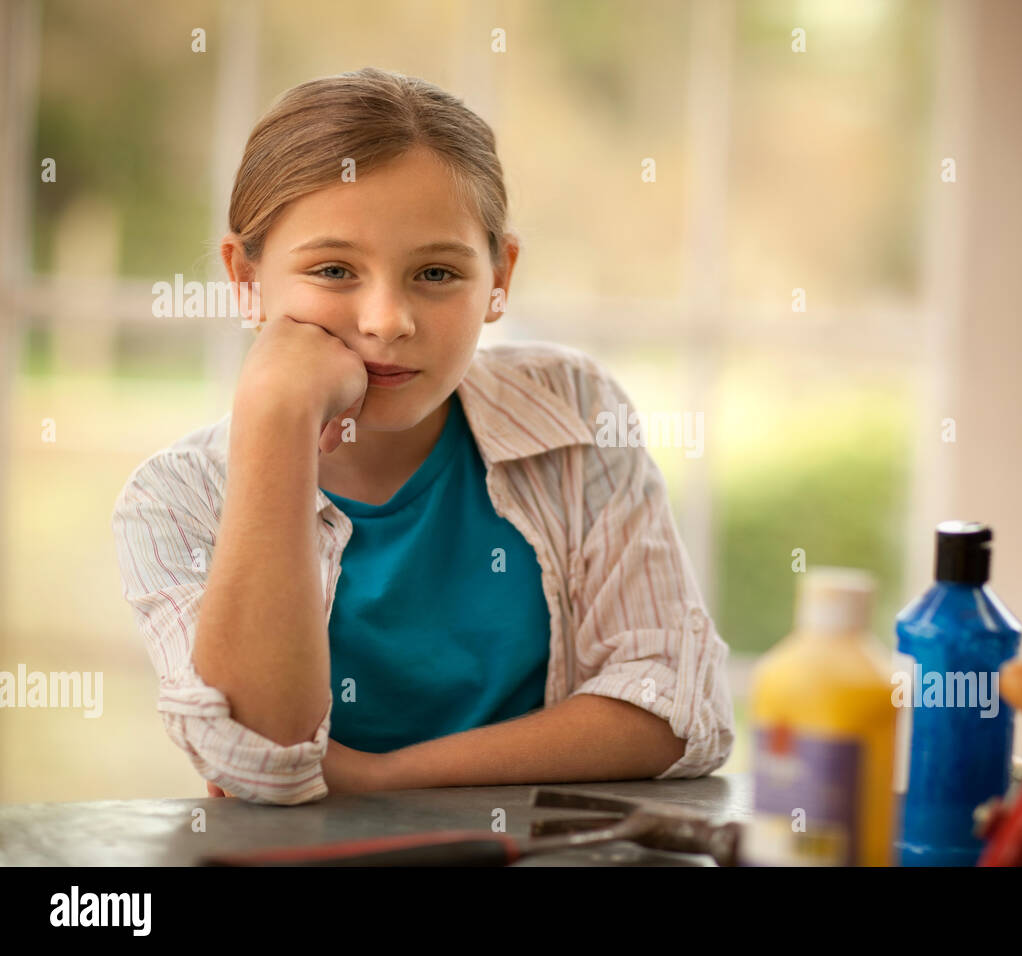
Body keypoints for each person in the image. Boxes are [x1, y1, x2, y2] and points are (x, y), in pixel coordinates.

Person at [111, 68, 733, 804]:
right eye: (335, 270)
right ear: (244, 278)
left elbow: (679, 707)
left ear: (499, 276)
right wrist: (276, 416)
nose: (387, 321)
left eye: (435, 272)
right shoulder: (173, 500)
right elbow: (259, 758)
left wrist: (386, 775)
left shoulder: (574, 410)